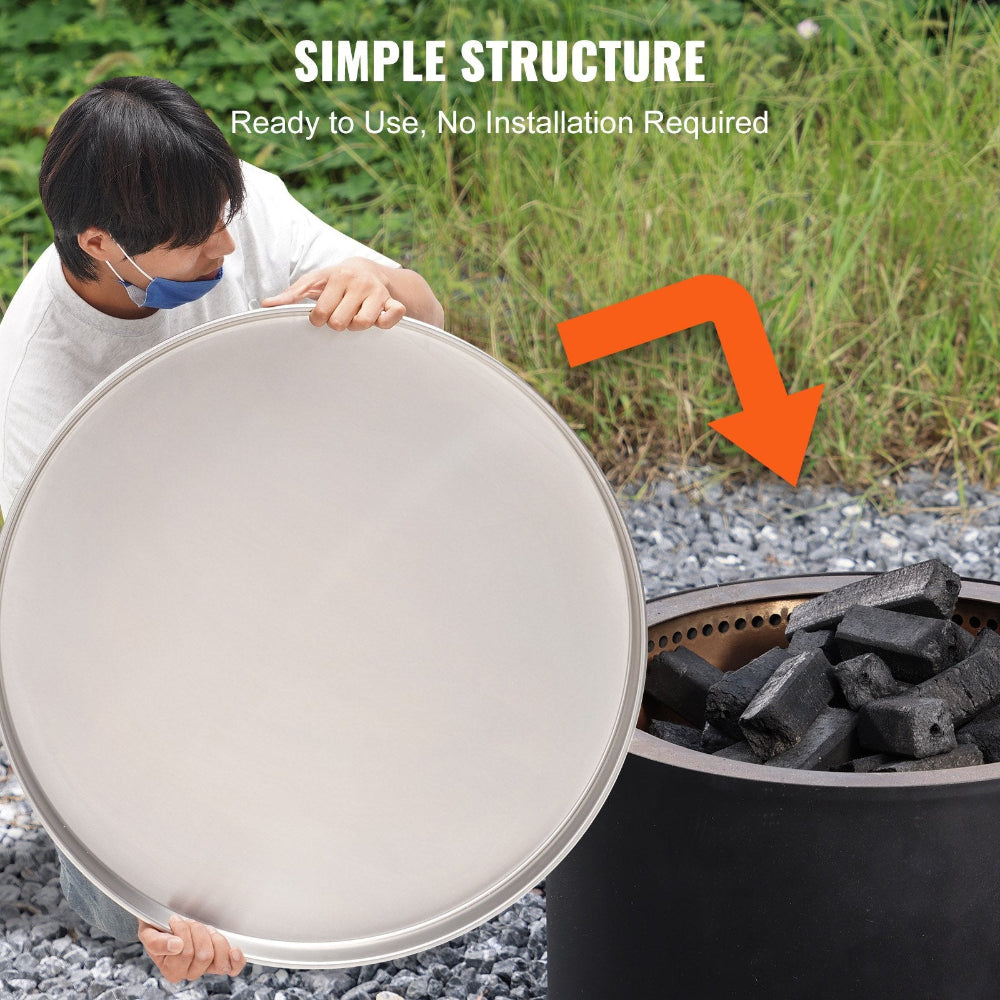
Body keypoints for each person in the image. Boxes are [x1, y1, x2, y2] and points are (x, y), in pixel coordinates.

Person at [0, 75, 444, 982]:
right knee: (149, 918)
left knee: (401, 829)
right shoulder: (34, 393)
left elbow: (430, 318)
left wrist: (379, 284)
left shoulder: (224, 203)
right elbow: (78, 665)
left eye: (226, 218)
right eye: (197, 242)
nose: (227, 247)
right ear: (101, 244)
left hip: (294, 550)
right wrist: (162, 864)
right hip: (147, 643)